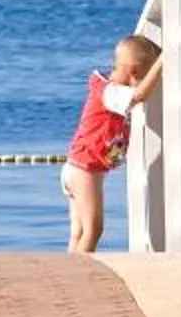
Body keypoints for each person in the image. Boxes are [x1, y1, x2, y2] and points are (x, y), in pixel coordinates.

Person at [63, 33, 161, 253]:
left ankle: (69, 273)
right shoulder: (110, 93)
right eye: (144, 76)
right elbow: (140, 96)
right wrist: (163, 61)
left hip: (79, 167)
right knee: (93, 230)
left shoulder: (109, 89)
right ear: (134, 73)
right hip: (84, 170)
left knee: (78, 231)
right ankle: (79, 273)